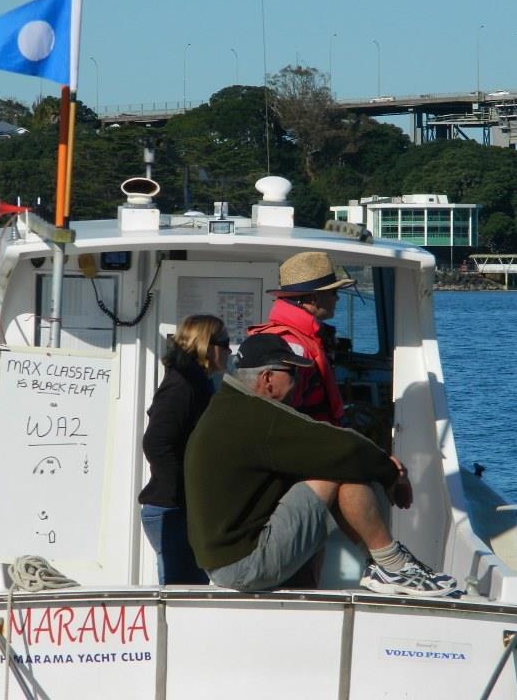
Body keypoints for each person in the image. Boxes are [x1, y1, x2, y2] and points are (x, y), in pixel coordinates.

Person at [185, 333, 458, 597]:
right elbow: (345, 448)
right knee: (338, 470)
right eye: (293, 374)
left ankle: (383, 566)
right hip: (244, 566)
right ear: (267, 378)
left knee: (335, 464)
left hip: (222, 563)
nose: (299, 383)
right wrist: (389, 472)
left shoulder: (227, 406)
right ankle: (393, 565)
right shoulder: (257, 417)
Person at [138, 314, 231, 584]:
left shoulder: (195, 382)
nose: (228, 349)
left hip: (180, 507)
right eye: (224, 342)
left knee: (191, 587)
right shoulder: (182, 385)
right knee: (182, 591)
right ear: (206, 344)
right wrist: (182, 489)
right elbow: (155, 442)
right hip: (171, 508)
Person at [249, 251, 352, 425]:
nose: (338, 298)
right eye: (334, 292)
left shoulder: (297, 338)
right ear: (313, 298)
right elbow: (280, 416)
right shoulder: (293, 346)